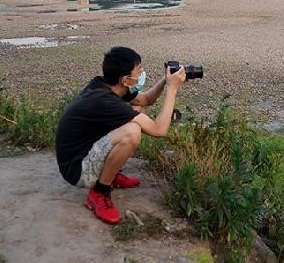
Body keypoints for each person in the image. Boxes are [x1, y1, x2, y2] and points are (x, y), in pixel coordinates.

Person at [55, 46, 186, 225]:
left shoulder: (105, 85)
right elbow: (159, 130)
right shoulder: (105, 101)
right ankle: (99, 192)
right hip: (77, 170)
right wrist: (172, 89)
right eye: (138, 71)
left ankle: (109, 173)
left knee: (136, 109)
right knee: (132, 132)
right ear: (125, 80)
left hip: (84, 151)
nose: (141, 74)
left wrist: (165, 80)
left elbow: (146, 99)